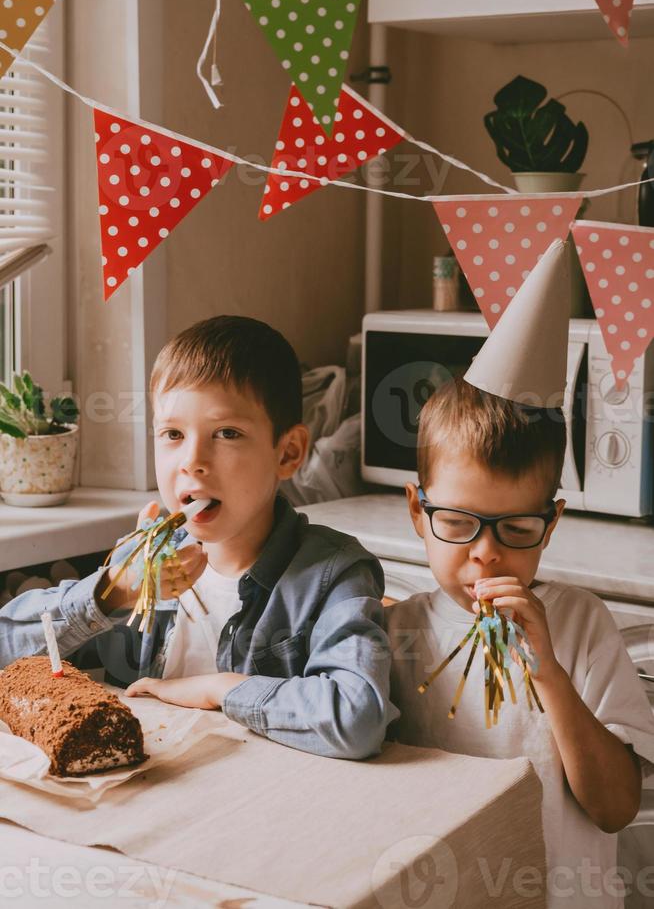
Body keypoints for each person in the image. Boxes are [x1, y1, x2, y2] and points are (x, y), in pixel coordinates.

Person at [387, 242, 654, 908]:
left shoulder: (581, 627)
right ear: (418, 512)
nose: (486, 553)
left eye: (515, 528)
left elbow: (616, 808)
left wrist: (549, 674)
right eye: (458, 522)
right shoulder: (393, 631)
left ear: (551, 521)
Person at [0, 315, 397, 760]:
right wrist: (111, 593)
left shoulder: (334, 573)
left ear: (287, 453)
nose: (192, 461)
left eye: (227, 433)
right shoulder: (140, 561)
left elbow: (357, 719)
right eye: (172, 434)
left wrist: (217, 688)